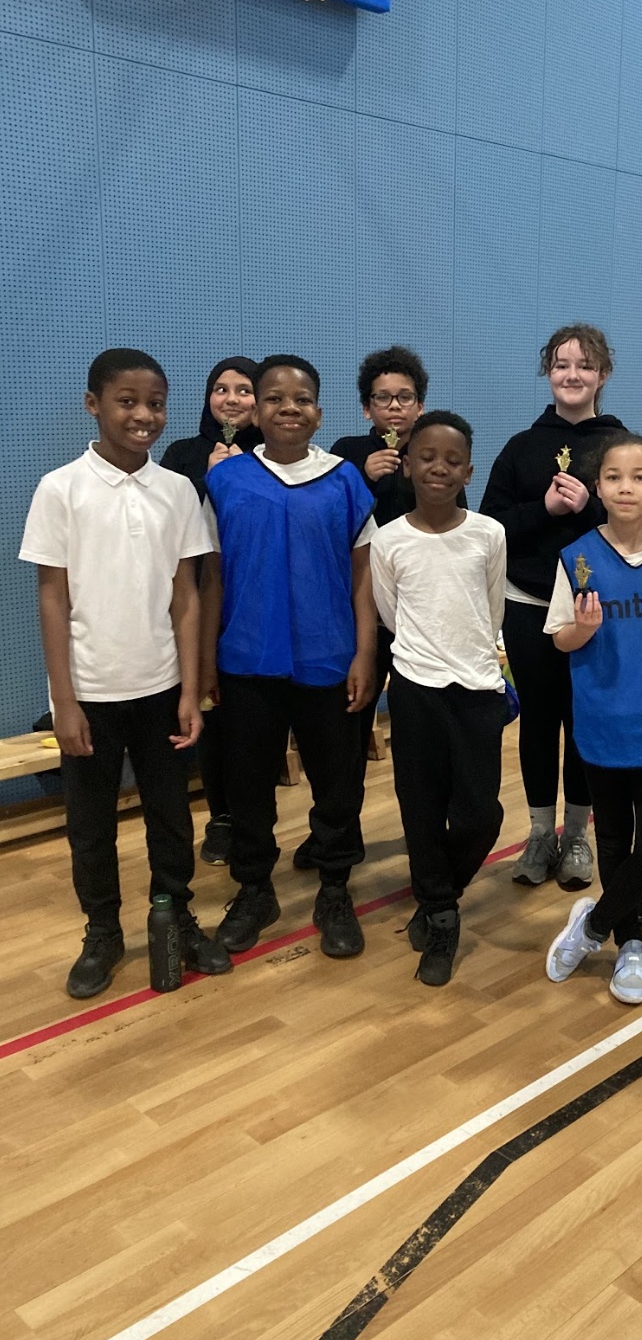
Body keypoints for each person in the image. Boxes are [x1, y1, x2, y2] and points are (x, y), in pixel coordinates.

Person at [19, 348, 231, 999]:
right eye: (128, 402)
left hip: (162, 690)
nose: (144, 415)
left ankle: (176, 918)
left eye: (155, 404)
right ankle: (103, 931)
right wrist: (65, 701)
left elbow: (186, 596)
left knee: (171, 818)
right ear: (94, 405)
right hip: (91, 694)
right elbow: (52, 598)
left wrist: (190, 688)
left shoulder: (176, 490)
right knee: (91, 826)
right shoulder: (61, 489)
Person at [200, 355, 377, 959]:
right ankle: (255, 889)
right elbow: (213, 577)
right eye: (274, 398)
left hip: (328, 659)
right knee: (248, 784)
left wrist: (365, 654)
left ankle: (334, 888)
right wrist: (206, 661)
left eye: (301, 399)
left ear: (318, 412)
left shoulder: (345, 481)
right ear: (256, 410)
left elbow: (363, 578)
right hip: (247, 659)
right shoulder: (226, 480)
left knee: (336, 782)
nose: (288, 408)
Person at [286, 348, 466, 874]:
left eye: (404, 398)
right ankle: (336, 831)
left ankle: (430, 831)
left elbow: (455, 528)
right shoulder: (345, 455)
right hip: (356, 616)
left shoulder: (435, 452)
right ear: (366, 408)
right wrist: (364, 477)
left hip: (417, 619)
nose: (394, 407)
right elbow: (327, 523)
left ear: (420, 405)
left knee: (420, 733)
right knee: (345, 732)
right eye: (382, 398)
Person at [543, 435, 642, 1003]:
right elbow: (559, 638)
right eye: (613, 477)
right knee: (612, 839)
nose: (625, 487)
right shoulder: (577, 556)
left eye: (639, 477)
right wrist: (582, 630)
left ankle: (592, 926)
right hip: (602, 722)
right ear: (597, 487)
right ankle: (629, 944)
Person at [481, 324, 625, 891]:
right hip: (528, 604)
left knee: (584, 721)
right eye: (562, 364)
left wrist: (591, 508)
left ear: (602, 375)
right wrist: (544, 508)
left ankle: (578, 835)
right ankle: (541, 834)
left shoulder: (619, 446)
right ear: (548, 372)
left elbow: (635, 525)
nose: (572, 375)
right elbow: (492, 528)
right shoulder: (521, 447)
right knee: (539, 722)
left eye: (584, 365)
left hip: (593, 608)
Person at [370, 411, 507, 986]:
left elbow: (492, 609)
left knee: (480, 814)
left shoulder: (489, 534)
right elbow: (389, 612)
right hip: (414, 690)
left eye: (453, 461)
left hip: (477, 689)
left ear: (468, 471)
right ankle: (443, 915)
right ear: (407, 464)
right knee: (421, 807)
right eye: (427, 457)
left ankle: (435, 894)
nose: (439, 468)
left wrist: (469, 655)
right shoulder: (388, 539)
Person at [162, 356, 261, 866]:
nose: (231, 399)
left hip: (254, 603)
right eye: (221, 389)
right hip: (199, 602)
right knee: (211, 710)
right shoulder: (183, 454)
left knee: (252, 718)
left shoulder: (272, 455)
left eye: (244, 390)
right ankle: (220, 815)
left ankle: (253, 816)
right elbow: (167, 525)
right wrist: (209, 480)